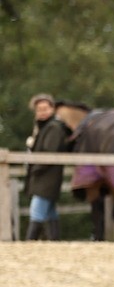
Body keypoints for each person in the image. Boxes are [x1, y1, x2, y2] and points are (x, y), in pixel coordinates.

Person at [25, 93, 70, 241]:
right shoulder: (43, 128)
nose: (42, 112)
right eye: (39, 109)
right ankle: (54, 242)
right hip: (44, 177)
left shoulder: (53, 128)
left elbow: (49, 153)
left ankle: (29, 244)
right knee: (50, 212)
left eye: (45, 108)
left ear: (52, 109)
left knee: (36, 211)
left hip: (46, 177)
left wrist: (36, 169)